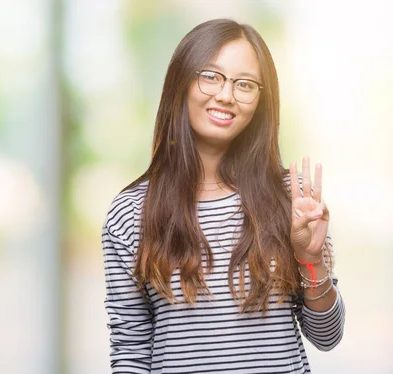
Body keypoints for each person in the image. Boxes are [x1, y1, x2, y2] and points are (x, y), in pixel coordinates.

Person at [101, 19, 345, 374]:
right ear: (181, 82)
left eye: (244, 84)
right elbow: (131, 350)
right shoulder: (131, 212)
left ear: (262, 101)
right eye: (211, 76)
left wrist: (310, 258)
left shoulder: (293, 199)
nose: (226, 95)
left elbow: (328, 336)